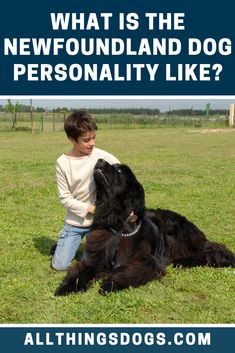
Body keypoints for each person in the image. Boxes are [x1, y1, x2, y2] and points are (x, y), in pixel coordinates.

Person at [51, 110, 119, 271]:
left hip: (98, 224)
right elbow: (65, 198)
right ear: (72, 139)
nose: (92, 143)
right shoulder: (62, 163)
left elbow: (122, 176)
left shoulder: (102, 156)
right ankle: (63, 245)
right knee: (60, 266)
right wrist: (92, 209)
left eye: (94, 138)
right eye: (86, 140)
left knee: (92, 265)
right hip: (74, 223)